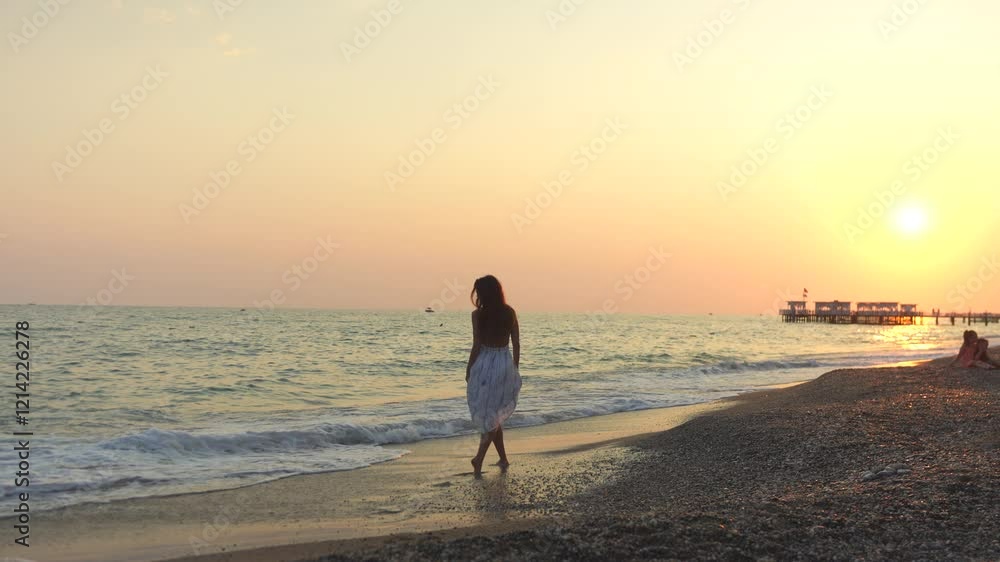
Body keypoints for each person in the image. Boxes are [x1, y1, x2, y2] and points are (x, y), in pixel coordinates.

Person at [465, 275, 522, 477]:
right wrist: (514, 368)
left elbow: (477, 344)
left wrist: (469, 368)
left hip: (483, 363)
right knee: (495, 416)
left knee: (491, 415)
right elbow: (516, 343)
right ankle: (501, 458)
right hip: (502, 363)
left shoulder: (477, 315)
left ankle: (479, 457)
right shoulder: (510, 312)